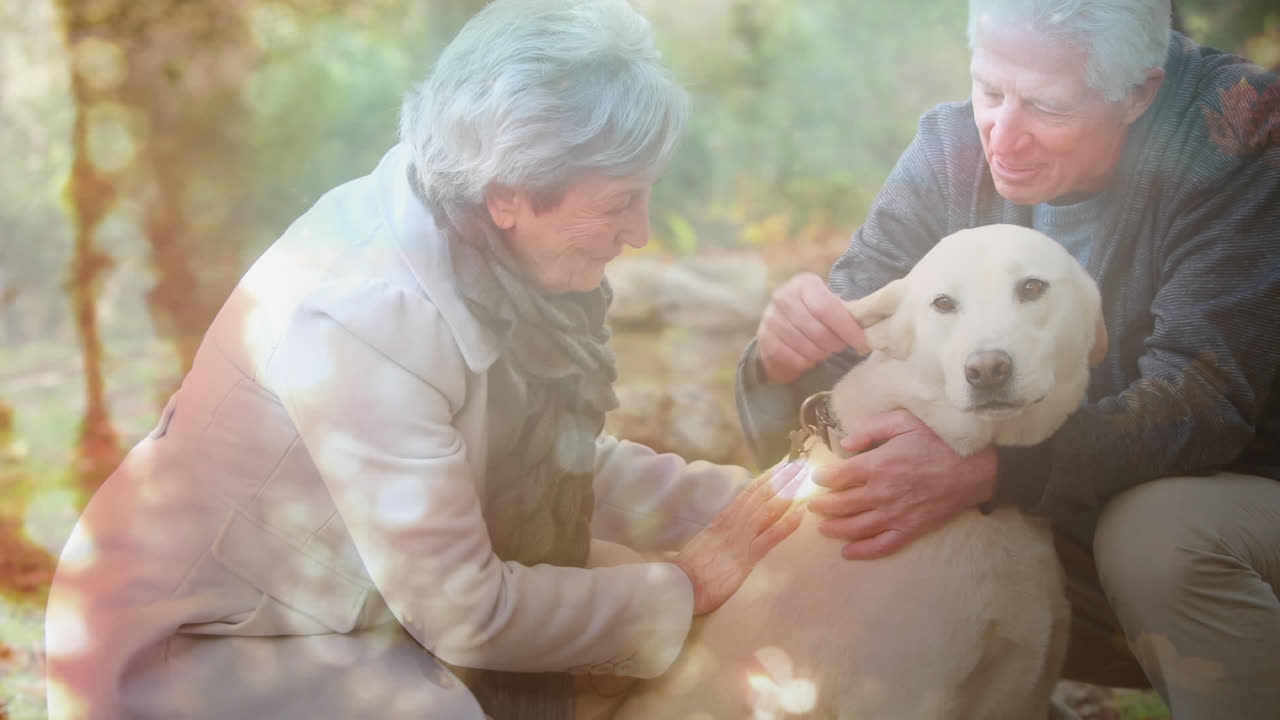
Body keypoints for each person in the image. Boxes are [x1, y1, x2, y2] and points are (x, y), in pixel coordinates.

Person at [44, 1, 806, 718]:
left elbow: (551, 463)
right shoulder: (363, 313)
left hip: (341, 600)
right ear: (509, 193)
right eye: (618, 203)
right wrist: (684, 584)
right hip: (199, 644)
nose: (639, 232)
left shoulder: (475, 226)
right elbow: (466, 612)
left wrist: (756, 506)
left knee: (630, 624)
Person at [736, 0, 1280, 717]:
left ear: (1140, 91)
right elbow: (847, 366)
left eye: (1046, 107)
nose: (1003, 135)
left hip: (1238, 499)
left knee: (1156, 533)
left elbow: (1200, 401)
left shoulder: (1237, 134)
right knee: (884, 492)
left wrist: (995, 471)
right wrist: (780, 362)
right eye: (988, 90)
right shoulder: (950, 149)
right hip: (1084, 506)